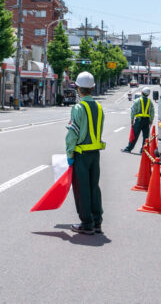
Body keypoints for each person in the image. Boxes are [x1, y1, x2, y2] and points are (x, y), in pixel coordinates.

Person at [65, 71, 104, 235]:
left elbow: (72, 135)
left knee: (82, 188)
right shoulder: (100, 107)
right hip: (95, 154)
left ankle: (86, 223)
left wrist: (69, 154)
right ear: (93, 88)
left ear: (78, 88)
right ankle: (97, 221)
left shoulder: (78, 108)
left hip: (81, 154)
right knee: (94, 187)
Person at [122, 88, 153, 153]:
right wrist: (151, 120)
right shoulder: (150, 102)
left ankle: (129, 148)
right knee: (145, 137)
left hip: (139, 120)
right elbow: (152, 111)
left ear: (142, 93)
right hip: (146, 121)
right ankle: (143, 150)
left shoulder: (137, 101)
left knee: (134, 135)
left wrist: (132, 119)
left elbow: (133, 110)